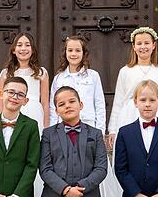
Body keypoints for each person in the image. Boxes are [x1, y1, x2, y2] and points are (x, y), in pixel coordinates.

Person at [48, 36, 120, 197]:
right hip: (63, 129)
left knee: (90, 166)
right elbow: (53, 107)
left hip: (88, 128)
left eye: (77, 50)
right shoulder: (59, 78)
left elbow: (100, 104)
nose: (74, 54)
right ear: (65, 53)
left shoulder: (93, 76)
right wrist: (52, 130)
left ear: (84, 53)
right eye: (70, 50)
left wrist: (100, 131)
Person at [114, 80, 158, 197]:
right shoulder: (124, 133)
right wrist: (136, 193)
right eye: (143, 100)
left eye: (152, 100)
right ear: (135, 102)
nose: (147, 104)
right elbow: (120, 168)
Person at [107, 27, 158, 149]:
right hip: (129, 115)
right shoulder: (125, 71)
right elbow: (119, 101)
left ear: (153, 45)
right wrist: (112, 129)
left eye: (147, 43)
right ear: (134, 46)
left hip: (155, 114)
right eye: (139, 43)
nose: (143, 47)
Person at [40, 86, 108, 197]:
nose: (67, 106)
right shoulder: (48, 134)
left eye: (72, 101)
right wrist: (65, 189)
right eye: (61, 104)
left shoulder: (96, 134)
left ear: (80, 105)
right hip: (55, 193)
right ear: (56, 111)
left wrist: (80, 187)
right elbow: (45, 168)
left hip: (88, 193)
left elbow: (101, 168)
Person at [0, 76, 41, 197]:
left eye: (20, 94)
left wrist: (17, 194)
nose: (14, 97)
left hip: (21, 193)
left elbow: (32, 164)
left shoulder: (31, 126)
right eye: (11, 92)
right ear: (1, 94)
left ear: (25, 101)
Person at [0, 32, 50, 129]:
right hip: (12, 113)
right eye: (19, 45)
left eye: (27, 45)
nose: (23, 49)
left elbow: (45, 103)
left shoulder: (41, 73)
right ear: (14, 50)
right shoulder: (6, 73)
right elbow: (1, 102)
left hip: (35, 114)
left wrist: (46, 127)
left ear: (33, 50)